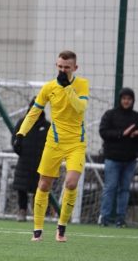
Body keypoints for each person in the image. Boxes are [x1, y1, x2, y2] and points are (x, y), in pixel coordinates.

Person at [13, 50, 89, 242]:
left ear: (75, 68)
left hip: (76, 143)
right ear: (56, 66)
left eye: (67, 67)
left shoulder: (82, 85)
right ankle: (37, 230)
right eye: (60, 67)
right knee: (44, 184)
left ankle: (61, 226)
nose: (63, 70)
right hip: (54, 142)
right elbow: (33, 113)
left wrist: (68, 87)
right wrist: (20, 134)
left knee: (71, 183)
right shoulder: (48, 88)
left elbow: (80, 107)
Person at [97, 87, 138, 228]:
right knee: (110, 188)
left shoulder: (136, 117)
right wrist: (122, 134)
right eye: (124, 98)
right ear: (120, 99)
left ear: (132, 100)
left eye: (129, 99)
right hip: (112, 159)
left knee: (125, 189)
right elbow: (103, 132)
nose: (126, 101)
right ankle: (104, 218)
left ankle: (121, 219)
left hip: (130, 160)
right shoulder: (110, 115)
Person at [11, 97, 50, 222]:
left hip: (40, 163)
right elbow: (15, 139)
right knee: (21, 188)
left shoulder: (47, 126)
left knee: (39, 188)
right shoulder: (22, 122)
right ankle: (22, 210)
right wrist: (19, 149)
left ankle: (37, 212)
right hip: (24, 161)